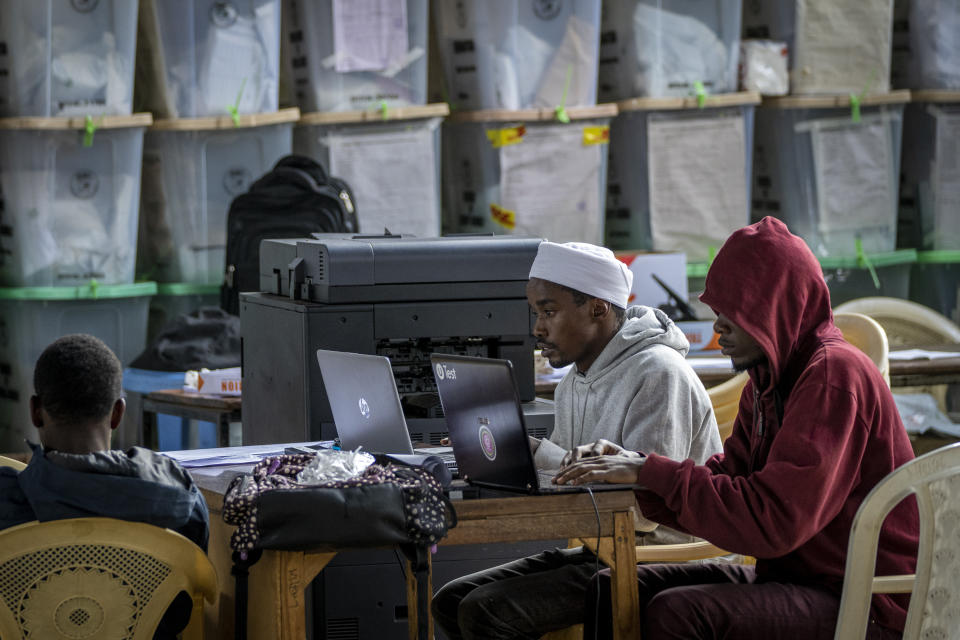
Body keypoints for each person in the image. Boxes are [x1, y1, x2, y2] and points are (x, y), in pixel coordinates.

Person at [557, 218, 920, 639]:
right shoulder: (767, 382)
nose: (719, 327)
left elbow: (774, 520)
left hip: (867, 600)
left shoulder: (832, 377)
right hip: (798, 580)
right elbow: (733, 478)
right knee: (611, 588)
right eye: (717, 312)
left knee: (680, 612)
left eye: (735, 312)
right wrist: (633, 467)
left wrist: (651, 472)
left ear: (778, 307)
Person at [432, 241, 722, 640]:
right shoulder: (574, 382)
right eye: (536, 313)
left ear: (598, 308)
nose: (538, 328)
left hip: (659, 555)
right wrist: (505, 460)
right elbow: (566, 485)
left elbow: (642, 514)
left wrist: (540, 455)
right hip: (602, 548)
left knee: (486, 612)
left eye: (549, 312)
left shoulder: (658, 373)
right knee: (450, 600)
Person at [0, 333, 210, 639]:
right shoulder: (179, 496)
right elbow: (186, 608)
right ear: (117, 413)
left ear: (35, 411)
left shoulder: (6, 502)